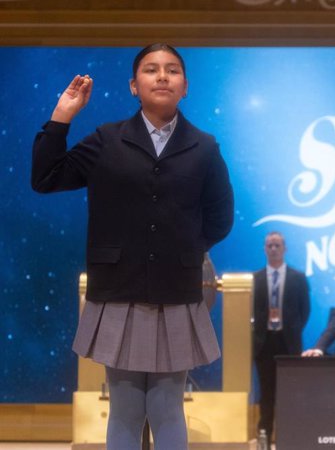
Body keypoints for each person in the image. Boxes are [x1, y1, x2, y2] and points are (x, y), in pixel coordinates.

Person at [31, 43, 234, 449]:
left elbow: (219, 218)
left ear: (185, 86)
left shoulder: (205, 147)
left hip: (175, 294)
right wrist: (62, 116)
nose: (162, 76)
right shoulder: (107, 139)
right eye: (151, 69)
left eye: (172, 70)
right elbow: (46, 178)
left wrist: (182, 252)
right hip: (118, 291)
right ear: (133, 86)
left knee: (167, 407)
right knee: (124, 407)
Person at [253, 231, 310, 440]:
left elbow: (305, 311)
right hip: (263, 343)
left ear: (284, 248)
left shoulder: (298, 278)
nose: (274, 249)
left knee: (289, 393)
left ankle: (289, 436)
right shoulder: (255, 279)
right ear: (264, 249)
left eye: (277, 245)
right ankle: (265, 437)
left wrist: (291, 330)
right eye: (270, 245)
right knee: (266, 393)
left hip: (289, 344)